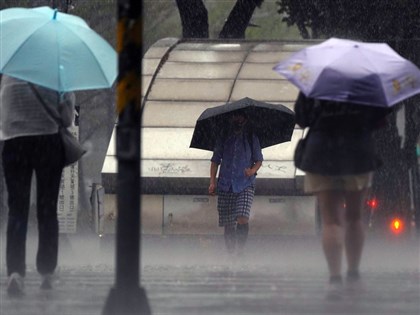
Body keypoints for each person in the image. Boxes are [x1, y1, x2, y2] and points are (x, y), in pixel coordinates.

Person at [294, 92, 391, 299]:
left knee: (331, 221)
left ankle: (335, 279)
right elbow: (380, 117)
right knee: (354, 216)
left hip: (321, 152)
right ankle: (354, 274)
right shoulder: (365, 80)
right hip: (357, 150)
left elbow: (302, 118)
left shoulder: (317, 80)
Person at [0, 75, 75, 296]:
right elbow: (68, 118)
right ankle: (47, 271)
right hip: (48, 142)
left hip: (14, 143)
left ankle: (15, 272)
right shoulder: (57, 72)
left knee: (17, 209)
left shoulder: (8, 75)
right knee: (47, 209)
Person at [209, 111, 263, 256]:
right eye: (235, 117)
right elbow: (215, 161)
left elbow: (259, 160)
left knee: (242, 216)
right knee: (228, 223)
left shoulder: (251, 137)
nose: (237, 120)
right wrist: (212, 182)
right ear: (231, 119)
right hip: (226, 184)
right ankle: (231, 252)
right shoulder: (224, 136)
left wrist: (252, 171)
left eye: (241, 117)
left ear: (245, 119)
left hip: (245, 183)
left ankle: (240, 250)